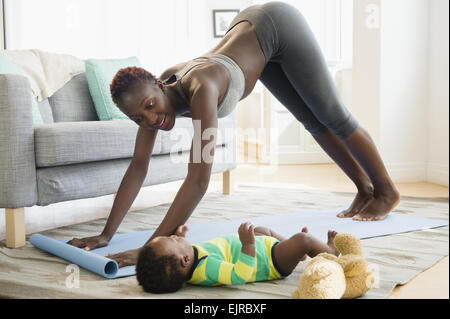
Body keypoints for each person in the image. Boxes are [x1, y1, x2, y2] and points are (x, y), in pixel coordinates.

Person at [68, 2, 400, 267]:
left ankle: (385, 191)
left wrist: (152, 247)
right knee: (311, 122)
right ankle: (364, 188)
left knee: (333, 116)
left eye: (151, 106)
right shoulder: (159, 94)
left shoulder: (203, 88)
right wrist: (106, 234)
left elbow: (198, 179)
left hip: (276, 24)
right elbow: (138, 166)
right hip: (253, 39)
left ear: (158, 85)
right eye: (139, 117)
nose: (152, 119)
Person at [134, 222, 339, 293]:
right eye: (174, 241)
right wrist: (248, 244)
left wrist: (181, 238)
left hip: (263, 248)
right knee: (303, 239)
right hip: (269, 261)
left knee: (261, 229)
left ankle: (297, 253)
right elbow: (240, 274)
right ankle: (330, 253)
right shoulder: (207, 268)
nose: (173, 237)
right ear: (185, 260)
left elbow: (180, 252)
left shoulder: (187, 262)